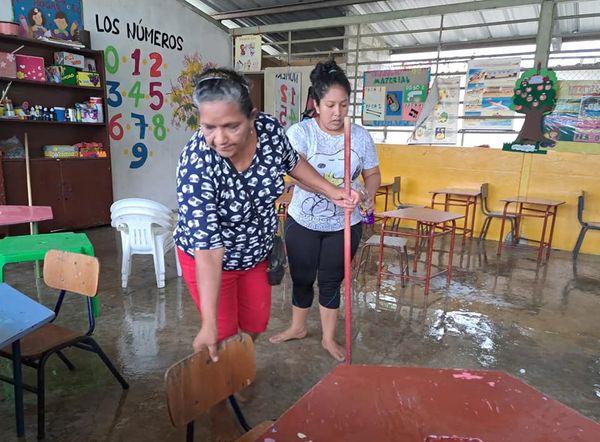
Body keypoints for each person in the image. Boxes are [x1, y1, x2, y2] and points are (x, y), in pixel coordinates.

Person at [174, 67, 360, 364]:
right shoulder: (197, 163)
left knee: (255, 324)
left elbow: (292, 163)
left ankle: (239, 366)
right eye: (209, 127)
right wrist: (208, 323)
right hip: (212, 260)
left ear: (252, 118)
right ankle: (224, 387)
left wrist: (331, 190)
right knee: (220, 333)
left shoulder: (270, 130)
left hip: (256, 253)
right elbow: (208, 250)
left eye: (231, 126)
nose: (219, 139)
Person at [269, 60, 381, 361]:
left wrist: (369, 195)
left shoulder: (360, 136)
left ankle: (329, 338)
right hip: (303, 220)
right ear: (316, 104)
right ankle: (298, 327)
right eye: (330, 105)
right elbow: (294, 174)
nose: (337, 113)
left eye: (343, 105)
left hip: (344, 223)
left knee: (331, 280)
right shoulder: (300, 133)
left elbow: (372, 173)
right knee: (302, 277)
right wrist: (331, 192)